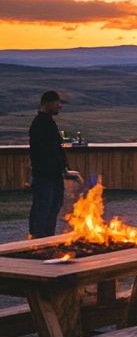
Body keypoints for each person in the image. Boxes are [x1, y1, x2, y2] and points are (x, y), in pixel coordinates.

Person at [28, 90, 83, 238]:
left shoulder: (48, 122)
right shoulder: (40, 123)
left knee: (53, 208)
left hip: (54, 174)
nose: (60, 106)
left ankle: (47, 238)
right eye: (57, 103)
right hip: (44, 175)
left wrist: (64, 167)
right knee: (43, 208)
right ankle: (37, 240)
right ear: (47, 103)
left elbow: (55, 148)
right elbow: (45, 151)